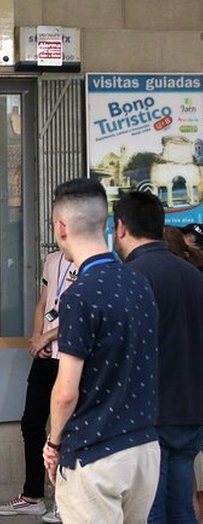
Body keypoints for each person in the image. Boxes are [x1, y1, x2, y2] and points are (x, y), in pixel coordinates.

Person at [43, 178, 160, 523]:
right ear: (108, 224)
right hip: (144, 448)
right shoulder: (138, 282)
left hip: (95, 453)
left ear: (61, 228)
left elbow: (65, 391)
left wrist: (53, 443)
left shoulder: (79, 295)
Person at [113, 191, 203, 524]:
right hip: (191, 411)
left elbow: (122, 349)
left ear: (120, 227)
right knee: (182, 507)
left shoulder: (132, 276)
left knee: (151, 511)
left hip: (150, 413)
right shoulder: (193, 275)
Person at [0, 250, 75, 524]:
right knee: (32, 424)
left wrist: (48, 337)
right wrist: (36, 337)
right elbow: (43, 303)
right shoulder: (52, 260)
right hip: (45, 357)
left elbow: (82, 316)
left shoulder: (90, 261)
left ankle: (66, 503)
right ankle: (32, 497)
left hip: (71, 357)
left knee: (66, 429)